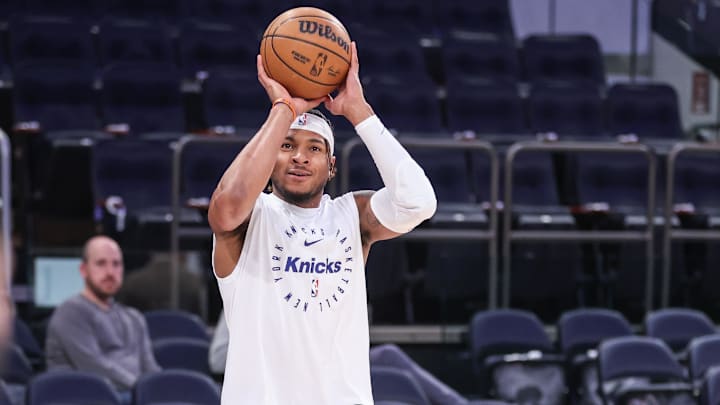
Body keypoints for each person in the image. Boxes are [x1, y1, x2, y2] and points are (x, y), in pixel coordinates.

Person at [208, 40, 437, 404]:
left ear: (331, 166)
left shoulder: (351, 216)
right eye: (286, 146)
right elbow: (228, 204)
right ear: (269, 158)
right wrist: (283, 108)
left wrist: (359, 112)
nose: (299, 156)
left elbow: (420, 203)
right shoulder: (252, 219)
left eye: (314, 148)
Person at [209, 309, 470, 405]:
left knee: (387, 356)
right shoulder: (244, 296)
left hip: (324, 366)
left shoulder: (311, 290)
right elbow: (218, 358)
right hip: (277, 378)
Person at [45, 236, 160, 402]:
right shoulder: (70, 313)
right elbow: (93, 366)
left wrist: (160, 388)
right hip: (86, 397)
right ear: (83, 270)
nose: (110, 272)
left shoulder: (134, 318)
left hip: (133, 396)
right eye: (101, 263)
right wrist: (143, 389)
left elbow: (150, 368)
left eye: (116, 264)